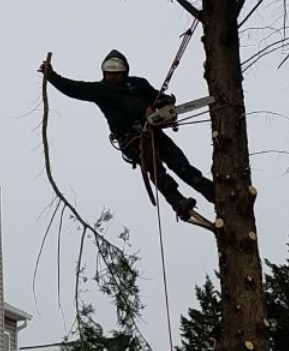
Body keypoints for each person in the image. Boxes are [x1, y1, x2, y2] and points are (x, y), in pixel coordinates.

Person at [41, 49, 216, 226]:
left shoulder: (138, 84)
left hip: (152, 131)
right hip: (131, 139)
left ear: (124, 73)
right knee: (155, 168)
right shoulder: (100, 90)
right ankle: (178, 202)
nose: (112, 78)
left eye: (116, 74)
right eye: (109, 74)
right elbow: (73, 88)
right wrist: (52, 76)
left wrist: (162, 103)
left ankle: (211, 191)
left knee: (179, 163)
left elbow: (158, 96)